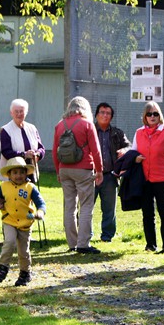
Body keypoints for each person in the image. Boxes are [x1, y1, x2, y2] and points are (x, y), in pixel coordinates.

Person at [53, 96, 104, 254]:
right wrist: (100, 170)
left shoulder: (60, 125)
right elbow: (95, 150)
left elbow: (55, 151)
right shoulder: (87, 124)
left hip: (64, 169)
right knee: (86, 205)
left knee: (69, 206)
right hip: (83, 169)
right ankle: (83, 244)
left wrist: (58, 171)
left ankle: (72, 243)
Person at [131, 102, 164, 254]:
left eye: (155, 114)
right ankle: (150, 244)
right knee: (147, 214)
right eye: (149, 114)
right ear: (145, 116)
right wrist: (135, 158)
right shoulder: (139, 132)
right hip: (145, 179)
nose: (152, 117)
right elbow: (133, 152)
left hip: (163, 179)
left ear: (160, 116)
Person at [0, 157, 46, 286]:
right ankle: (3, 267)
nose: (18, 175)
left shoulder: (30, 187)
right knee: (9, 242)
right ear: (9, 174)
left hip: (25, 223)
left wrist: (40, 212)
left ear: (26, 173)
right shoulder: (4, 186)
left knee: (23, 251)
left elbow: (41, 203)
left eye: (21, 172)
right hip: (9, 220)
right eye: (15, 173)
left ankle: (25, 273)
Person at [93, 102, 131, 242]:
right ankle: (85, 235)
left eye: (108, 113)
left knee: (109, 209)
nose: (105, 115)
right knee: (86, 207)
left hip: (110, 175)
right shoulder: (89, 130)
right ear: (96, 115)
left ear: (111, 117)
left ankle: (107, 236)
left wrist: (124, 150)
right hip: (91, 175)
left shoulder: (117, 133)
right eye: (102, 112)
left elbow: (129, 146)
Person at [0, 98, 45, 184]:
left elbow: (41, 148)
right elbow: (6, 151)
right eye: (16, 111)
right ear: (11, 113)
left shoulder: (32, 128)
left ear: (26, 112)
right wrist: (24, 154)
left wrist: (37, 154)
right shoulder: (5, 130)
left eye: (21, 111)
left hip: (30, 173)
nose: (19, 114)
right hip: (13, 175)